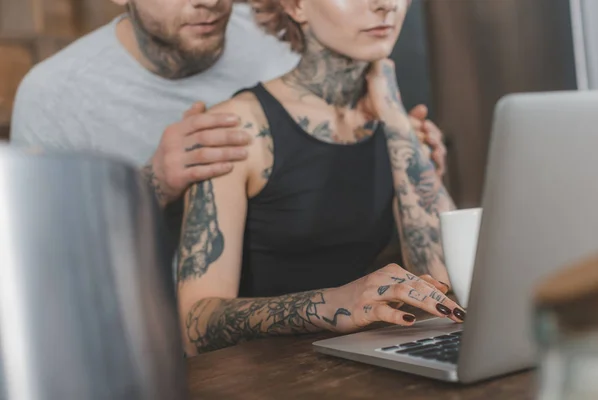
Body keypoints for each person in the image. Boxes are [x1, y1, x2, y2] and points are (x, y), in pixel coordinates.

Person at [9, 0, 446, 256]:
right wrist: (153, 183)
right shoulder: (53, 95)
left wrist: (406, 151)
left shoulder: (275, 37)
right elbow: (46, 257)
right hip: (142, 330)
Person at [178, 0, 464, 357]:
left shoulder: (395, 121)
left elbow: (449, 291)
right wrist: (332, 304)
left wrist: (395, 119)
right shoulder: (238, 129)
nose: (386, 5)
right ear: (296, 6)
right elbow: (194, 324)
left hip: (361, 365)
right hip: (263, 374)